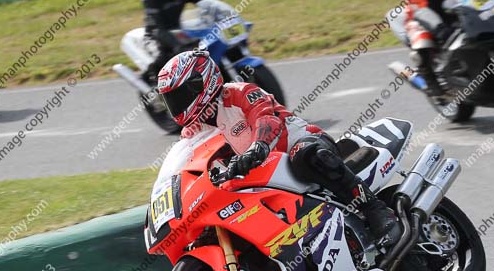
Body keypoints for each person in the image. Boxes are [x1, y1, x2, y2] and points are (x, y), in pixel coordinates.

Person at [157, 50, 400, 245]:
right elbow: (187, 162)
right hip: (263, 175)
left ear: (201, 83)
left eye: (180, 95)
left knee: (305, 156)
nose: (177, 105)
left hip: (298, 144)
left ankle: (375, 209)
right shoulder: (194, 130)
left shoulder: (240, 93)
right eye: (171, 100)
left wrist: (259, 146)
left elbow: (267, 118)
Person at [141, 0, 205, 86]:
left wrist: (218, 12)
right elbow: (158, 29)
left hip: (180, 29)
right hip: (156, 34)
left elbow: (203, 1)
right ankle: (149, 81)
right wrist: (177, 45)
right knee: (161, 56)